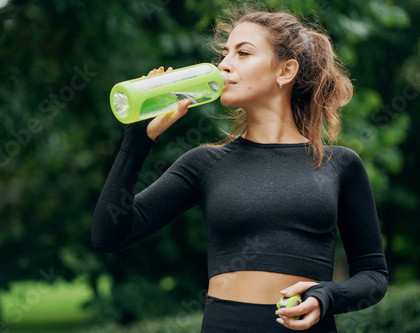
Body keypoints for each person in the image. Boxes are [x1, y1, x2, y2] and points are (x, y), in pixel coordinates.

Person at [92, 10, 388, 332]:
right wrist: (139, 137)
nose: (224, 65)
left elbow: (373, 276)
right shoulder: (205, 164)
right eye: (224, 54)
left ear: (286, 71)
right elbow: (109, 234)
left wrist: (326, 296)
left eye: (242, 53)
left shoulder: (339, 165)